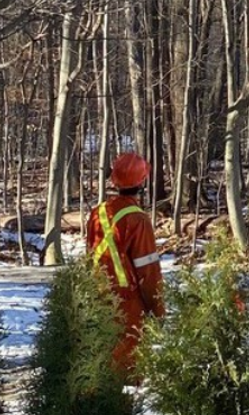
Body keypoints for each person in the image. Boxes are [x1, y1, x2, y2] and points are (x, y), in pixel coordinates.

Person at [85, 151, 165, 376]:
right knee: (125, 371)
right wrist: (158, 309)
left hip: (95, 294)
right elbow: (148, 271)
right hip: (126, 302)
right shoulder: (138, 219)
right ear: (142, 182)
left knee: (99, 368)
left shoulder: (97, 213)